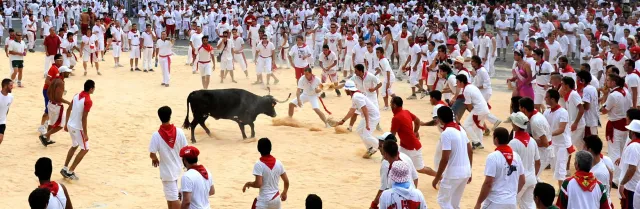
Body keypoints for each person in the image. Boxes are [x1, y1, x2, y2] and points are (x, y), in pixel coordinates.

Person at [430, 106, 472, 209]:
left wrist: (437, 177)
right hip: (465, 171)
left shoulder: (446, 133)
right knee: (454, 203)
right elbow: (470, 150)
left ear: (440, 119)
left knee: (442, 200)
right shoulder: (460, 129)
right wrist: (470, 170)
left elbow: (445, 159)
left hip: (453, 173)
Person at [474, 127, 525, 209]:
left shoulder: (493, 157)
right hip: (511, 202)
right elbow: (522, 181)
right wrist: (512, 195)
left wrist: (479, 202)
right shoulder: (516, 156)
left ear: (496, 139)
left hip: (495, 201)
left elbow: (488, 183)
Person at [149, 106, 188, 209]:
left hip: (167, 172)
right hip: (179, 170)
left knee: (173, 199)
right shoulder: (179, 132)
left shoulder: (156, 135)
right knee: (171, 199)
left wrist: (155, 159)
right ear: (170, 116)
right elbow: (186, 150)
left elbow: (152, 153)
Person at [371, 135, 420, 208]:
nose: (379, 148)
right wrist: (413, 195)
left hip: (395, 200)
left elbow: (383, 188)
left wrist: (373, 205)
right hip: (412, 199)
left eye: (381, 146)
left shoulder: (385, 164)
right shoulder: (406, 157)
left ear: (386, 153)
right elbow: (415, 178)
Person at [336, 80, 381, 158]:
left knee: (366, 135)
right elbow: (352, 111)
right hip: (369, 116)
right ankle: (370, 148)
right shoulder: (355, 96)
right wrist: (343, 121)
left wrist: (367, 123)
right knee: (359, 131)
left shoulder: (356, 97)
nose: (345, 90)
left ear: (348, 90)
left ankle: (381, 147)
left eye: (345, 89)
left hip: (372, 116)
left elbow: (365, 109)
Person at [61, 79, 95, 180]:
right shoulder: (88, 101)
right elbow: (84, 118)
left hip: (71, 125)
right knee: (85, 148)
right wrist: (85, 133)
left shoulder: (76, 95)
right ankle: (70, 171)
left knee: (75, 145)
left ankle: (65, 167)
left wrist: (66, 124)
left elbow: (68, 109)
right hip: (77, 127)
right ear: (91, 89)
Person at [601, 74, 631, 185]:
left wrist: (604, 100)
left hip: (615, 125)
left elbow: (604, 110)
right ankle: (621, 175)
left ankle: (616, 179)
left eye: (608, 80)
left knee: (614, 152)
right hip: (625, 125)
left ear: (614, 82)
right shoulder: (626, 92)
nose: (606, 82)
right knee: (623, 151)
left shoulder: (613, 95)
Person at [242, 138, 289, 209]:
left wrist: (248, 184)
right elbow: (286, 181)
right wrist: (285, 192)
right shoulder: (279, 163)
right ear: (270, 148)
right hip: (276, 200)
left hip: (264, 201)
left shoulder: (259, 164)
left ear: (258, 149)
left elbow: (258, 184)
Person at [389, 96, 430, 174]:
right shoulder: (406, 112)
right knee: (395, 164)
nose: (390, 104)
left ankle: (440, 177)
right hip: (405, 146)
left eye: (391, 103)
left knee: (420, 169)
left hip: (411, 148)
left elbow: (392, 136)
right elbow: (417, 121)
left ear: (394, 105)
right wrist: (415, 132)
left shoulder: (396, 118)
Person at [509, 112, 541, 209]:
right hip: (531, 178)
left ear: (515, 125)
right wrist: (533, 175)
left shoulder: (513, 143)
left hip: (519, 180)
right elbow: (538, 162)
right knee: (529, 205)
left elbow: (510, 165)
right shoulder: (532, 141)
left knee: (511, 204)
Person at [543, 89, 574, 188]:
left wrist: (548, 134)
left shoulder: (563, 112)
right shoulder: (546, 112)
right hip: (553, 144)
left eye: (547, 97)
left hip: (562, 145)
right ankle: (562, 189)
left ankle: (562, 191)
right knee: (554, 167)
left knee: (561, 169)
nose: (545, 99)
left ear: (552, 99)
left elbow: (561, 129)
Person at [40, 62, 72, 145]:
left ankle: (47, 139)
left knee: (51, 122)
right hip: (56, 106)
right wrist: (68, 102)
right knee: (61, 124)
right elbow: (58, 98)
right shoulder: (60, 82)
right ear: (63, 72)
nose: (69, 73)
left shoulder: (54, 80)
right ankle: (45, 136)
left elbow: (48, 92)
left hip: (51, 104)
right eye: (67, 72)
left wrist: (51, 99)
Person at [457, 74, 490, 149]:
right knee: (476, 126)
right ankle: (479, 144)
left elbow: (469, 105)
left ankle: (476, 141)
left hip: (479, 109)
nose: (457, 83)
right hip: (484, 109)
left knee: (466, 125)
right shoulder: (471, 86)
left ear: (462, 82)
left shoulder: (466, 90)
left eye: (457, 81)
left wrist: (472, 112)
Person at [620, 119, 640, 209]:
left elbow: (632, 169)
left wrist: (622, 184)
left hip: (632, 187)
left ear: (633, 132)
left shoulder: (633, 146)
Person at [0, 79, 13, 145]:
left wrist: (4, 117)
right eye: (10, 85)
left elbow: (7, 108)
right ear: (5, 86)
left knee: (0, 139)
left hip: (2, 122)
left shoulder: (11, 97)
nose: (12, 87)